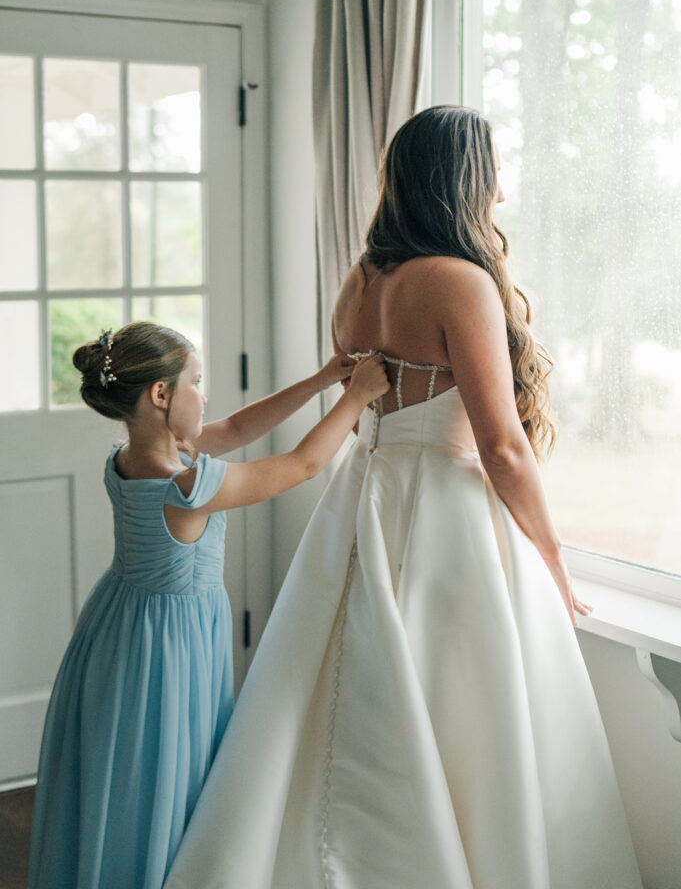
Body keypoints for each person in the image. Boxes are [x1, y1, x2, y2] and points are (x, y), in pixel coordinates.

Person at [164, 107, 643, 889]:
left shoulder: (360, 280)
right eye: (491, 172)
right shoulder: (459, 282)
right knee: (456, 700)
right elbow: (502, 448)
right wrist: (551, 557)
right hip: (443, 510)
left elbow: (361, 392)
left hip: (363, 494)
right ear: (465, 180)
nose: (499, 191)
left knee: (334, 686)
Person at [27, 320, 388, 889]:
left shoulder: (136, 455)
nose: (206, 394)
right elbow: (301, 466)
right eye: (197, 381)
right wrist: (360, 398)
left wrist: (321, 381)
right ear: (161, 395)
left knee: (123, 773)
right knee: (160, 776)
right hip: (165, 654)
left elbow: (241, 426)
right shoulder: (187, 485)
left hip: (120, 626)